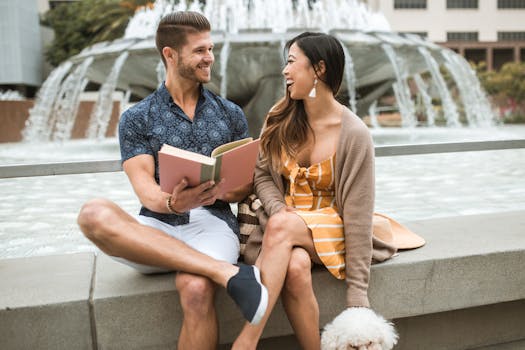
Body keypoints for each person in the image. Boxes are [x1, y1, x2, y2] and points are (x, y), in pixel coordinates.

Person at [77, 11, 268, 350]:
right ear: (170, 54)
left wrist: (222, 189)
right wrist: (172, 202)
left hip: (213, 226)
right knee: (93, 213)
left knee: (195, 288)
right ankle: (227, 274)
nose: (209, 57)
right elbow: (145, 189)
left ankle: (212, 269)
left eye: (210, 49)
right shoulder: (137, 118)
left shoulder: (231, 114)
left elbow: (246, 187)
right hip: (158, 226)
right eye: (199, 51)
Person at [232, 32, 398, 350]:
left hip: (332, 227)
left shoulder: (354, 133)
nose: (285, 71)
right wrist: (278, 208)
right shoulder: (278, 118)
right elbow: (263, 176)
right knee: (295, 266)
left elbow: (359, 214)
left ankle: (247, 339)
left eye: (292, 62)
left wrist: (357, 298)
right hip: (282, 228)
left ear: (319, 69)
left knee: (283, 227)